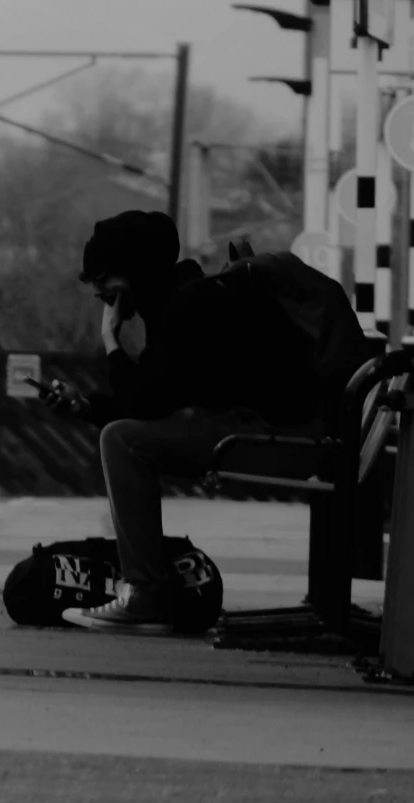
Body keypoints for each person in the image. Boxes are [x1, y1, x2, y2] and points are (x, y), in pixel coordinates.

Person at [41, 209, 320, 634]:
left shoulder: (191, 305)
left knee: (121, 441)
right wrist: (86, 408)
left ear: (135, 270)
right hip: (282, 433)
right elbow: (156, 402)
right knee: (124, 435)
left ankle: (147, 594)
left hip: (280, 441)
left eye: (103, 278)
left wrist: (111, 341)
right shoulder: (186, 299)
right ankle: (147, 592)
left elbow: (144, 402)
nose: (98, 290)